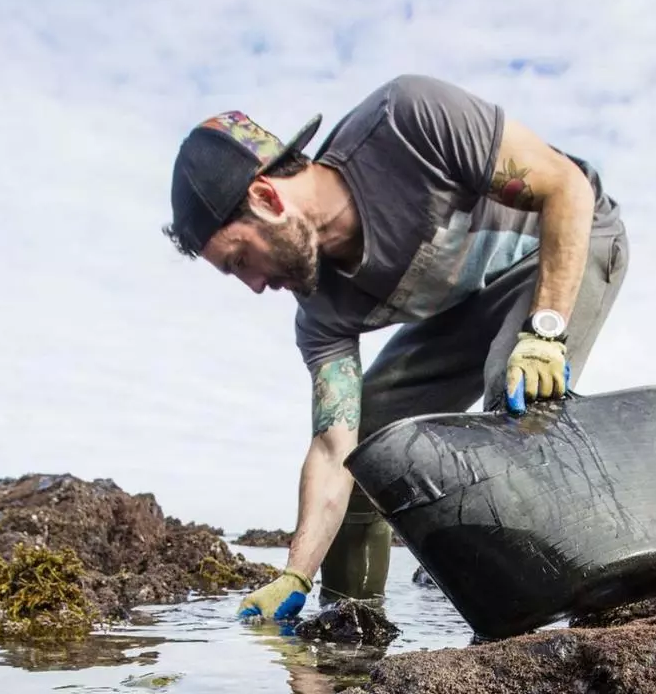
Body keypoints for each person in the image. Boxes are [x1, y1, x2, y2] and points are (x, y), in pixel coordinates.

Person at [165, 74, 627, 619]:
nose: (254, 285)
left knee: (517, 390)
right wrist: (295, 573)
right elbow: (334, 450)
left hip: (565, 243)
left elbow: (564, 186)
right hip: (466, 302)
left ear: (266, 198)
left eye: (240, 260)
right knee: (372, 442)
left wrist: (546, 329)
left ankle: (533, 621)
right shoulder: (320, 313)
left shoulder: (407, 122)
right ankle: (351, 623)